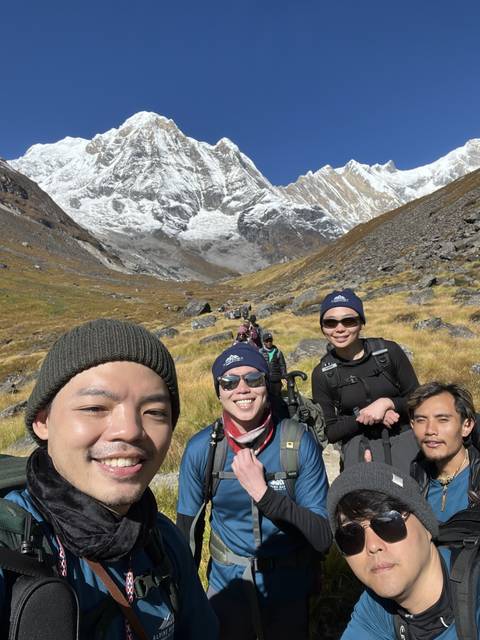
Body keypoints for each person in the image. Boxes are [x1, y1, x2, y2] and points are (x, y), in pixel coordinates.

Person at [0, 319, 218, 639]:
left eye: (155, 412)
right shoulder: (9, 546)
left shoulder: (163, 541)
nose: (129, 430)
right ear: (42, 422)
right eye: (95, 407)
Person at [176, 342, 332, 640]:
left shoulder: (298, 442)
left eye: (253, 379)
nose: (242, 389)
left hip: (289, 588)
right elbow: (187, 536)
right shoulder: (203, 449)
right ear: (219, 391)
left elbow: (323, 536)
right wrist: (185, 603)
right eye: (230, 382)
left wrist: (265, 495)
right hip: (227, 586)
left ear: (266, 385)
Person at [327, 461, 478, 639]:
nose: (373, 546)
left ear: (427, 526)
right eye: (351, 535)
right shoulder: (376, 607)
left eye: (388, 523)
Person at [311, 288, 419, 471]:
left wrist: (388, 403)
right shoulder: (322, 373)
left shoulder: (388, 352)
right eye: (330, 322)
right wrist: (368, 415)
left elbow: (419, 400)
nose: (339, 329)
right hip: (358, 455)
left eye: (349, 320)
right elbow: (330, 432)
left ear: (361, 322)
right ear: (322, 327)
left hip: (406, 446)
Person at [409, 382, 478, 521]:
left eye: (442, 420)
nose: (430, 430)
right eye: (421, 420)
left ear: (467, 426)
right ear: (412, 425)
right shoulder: (412, 481)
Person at [259, 331, 287, 398]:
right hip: (265, 380)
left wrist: (284, 376)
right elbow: (258, 365)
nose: (269, 342)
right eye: (267, 341)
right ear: (263, 342)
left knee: (277, 397)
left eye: (270, 340)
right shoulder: (260, 352)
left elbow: (282, 365)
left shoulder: (278, 352)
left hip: (276, 379)